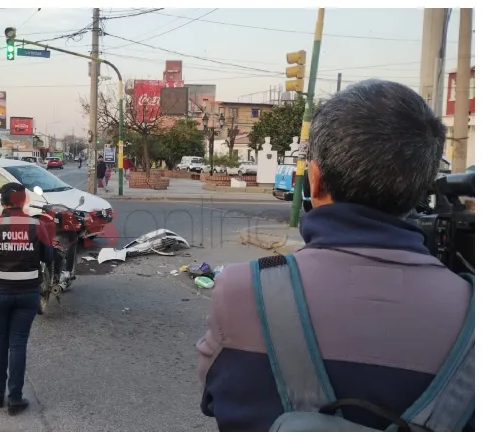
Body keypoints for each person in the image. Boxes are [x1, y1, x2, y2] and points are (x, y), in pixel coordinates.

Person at [196, 80, 474, 431]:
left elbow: (213, 397)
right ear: (423, 185)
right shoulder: (469, 312)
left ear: (315, 180)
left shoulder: (242, 289)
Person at [0, 182, 54, 416]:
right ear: (23, 201)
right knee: (18, 344)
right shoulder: (37, 225)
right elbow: (49, 256)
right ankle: (15, 399)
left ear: (3, 202)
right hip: (27, 293)